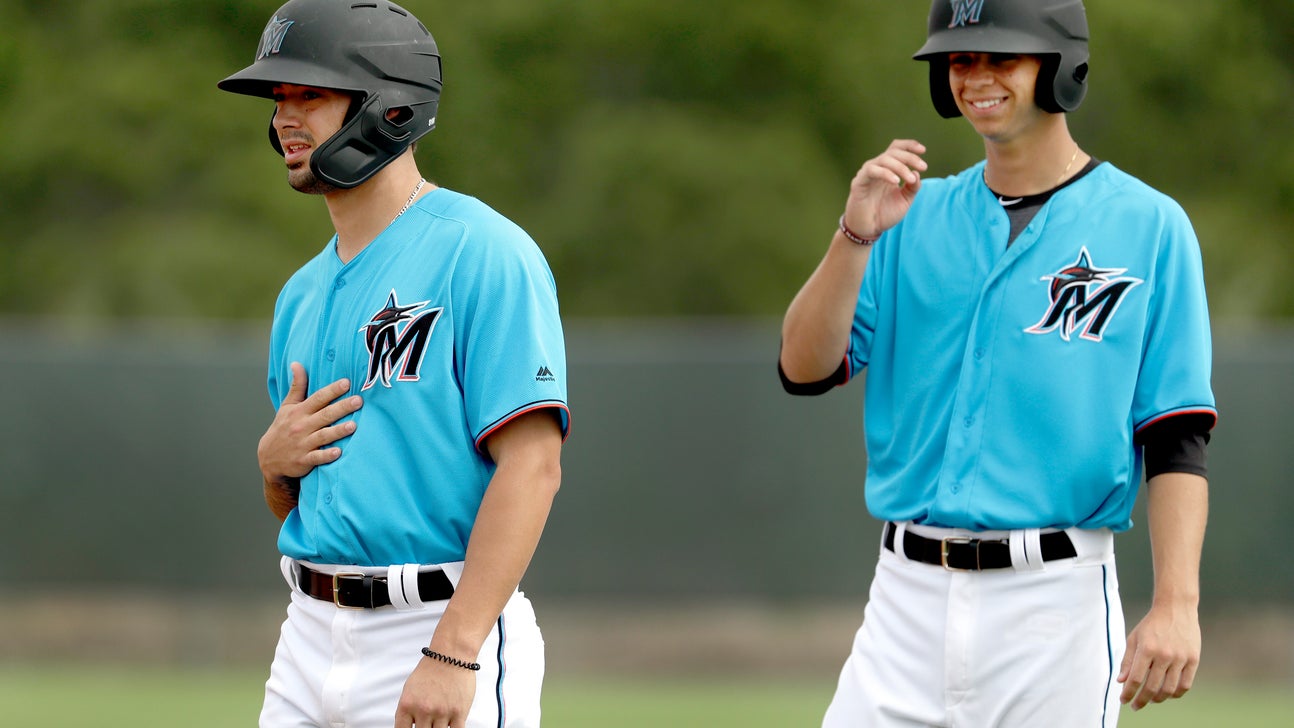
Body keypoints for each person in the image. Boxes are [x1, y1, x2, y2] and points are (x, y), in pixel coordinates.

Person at [778, 1, 1215, 725]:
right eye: (960, 59)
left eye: (999, 57)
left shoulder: (1148, 225)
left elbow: (1175, 438)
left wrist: (1177, 605)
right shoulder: (908, 214)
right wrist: (854, 234)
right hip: (904, 598)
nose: (976, 76)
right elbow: (803, 368)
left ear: (1060, 65)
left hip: (1055, 604)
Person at [218, 2, 569, 726]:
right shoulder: (301, 294)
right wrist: (271, 468)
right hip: (309, 632)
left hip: (436, 624)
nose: (285, 115)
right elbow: (305, 504)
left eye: (309, 92)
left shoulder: (484, 252)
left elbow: (533, 467)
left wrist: (454, 650)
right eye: (279, 97)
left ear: (390, 106)